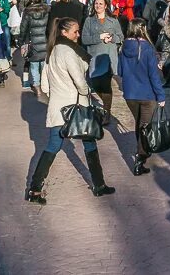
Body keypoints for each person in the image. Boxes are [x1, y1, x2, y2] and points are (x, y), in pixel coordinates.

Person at [26, 17, 114, 204]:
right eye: (75, 31)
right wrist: (88, 91)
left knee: (52, 146)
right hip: (77, 107)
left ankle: (34, 189)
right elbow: (80, 82)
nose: (78, 34)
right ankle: (98, 185)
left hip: (58, 108)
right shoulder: (69, 52)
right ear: (64, 32)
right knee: (89, 143)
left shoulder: (52, 52)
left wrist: (57, 95)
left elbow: (44, 85)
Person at [118, 19, 165, 176]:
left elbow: (120, 71)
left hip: (130, 93)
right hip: (147, 94)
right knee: (145, 126)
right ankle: (140, 158)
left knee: (140, 124)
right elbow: (153, 76)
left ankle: (142, 152)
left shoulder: (124, 46)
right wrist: (161, 95)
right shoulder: (147, 48)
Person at [80, 0, 124, 117]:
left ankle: (106, 111)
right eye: (96, 4)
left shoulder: (113, 20)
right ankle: (105, 106)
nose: (98, 6)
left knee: (105, 85)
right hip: (94, 57)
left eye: (100, 4)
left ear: (106, 5)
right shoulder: (89, 20)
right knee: (94, 83)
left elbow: (121, 37)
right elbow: (84, 39)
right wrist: (98, 37)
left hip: (108, 57)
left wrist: (112, 38)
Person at [18, 0, 50, 95]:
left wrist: (21, 41)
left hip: (33, 42)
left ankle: (37, 86)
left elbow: (23, 28)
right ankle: (45, 84)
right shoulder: (47, 9)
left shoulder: (28, 12)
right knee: (44, 64)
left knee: (34, 64)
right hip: (45, 41)